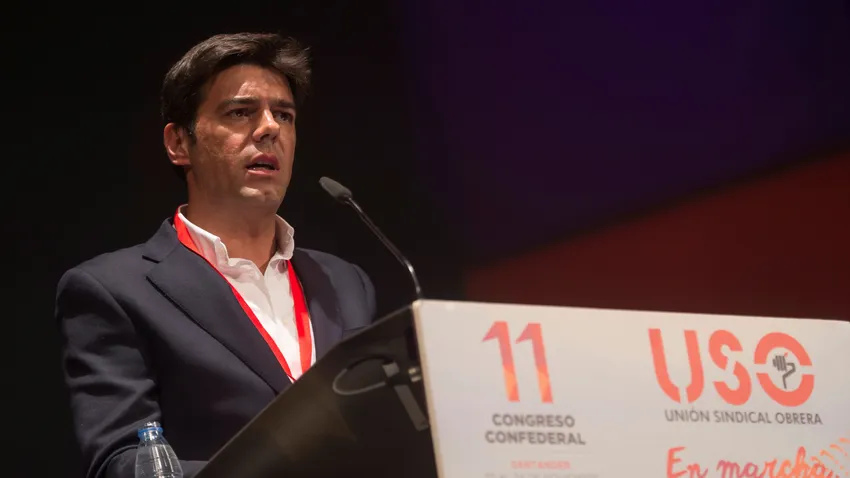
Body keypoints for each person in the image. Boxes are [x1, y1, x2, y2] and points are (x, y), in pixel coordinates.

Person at [55, 32, 376, 478]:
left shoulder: (346, 282)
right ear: (178, 143)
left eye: (284, 115)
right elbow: (125, 463)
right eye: (241, 112)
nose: (270, 128)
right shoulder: (113, 291)